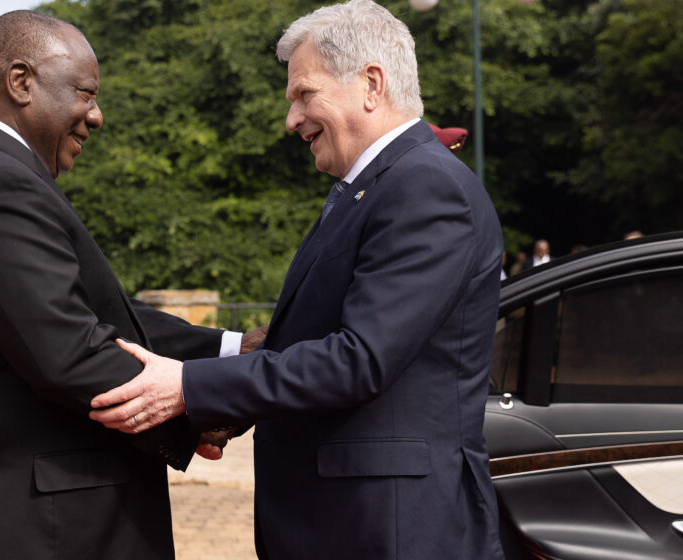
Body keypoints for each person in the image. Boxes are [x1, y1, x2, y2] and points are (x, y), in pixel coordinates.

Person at [89, 1, 505, 558]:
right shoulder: (373, 187)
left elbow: (359, 360)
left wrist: (188, 387)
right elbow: (309, 345)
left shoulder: (425, 187)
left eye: (304, 95)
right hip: (351, 521)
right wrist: (227, 409)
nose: (292, 120)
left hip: (392, 528)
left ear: (371, 84)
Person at [0, 10, 258, 560]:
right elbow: (70, 353)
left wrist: (230, 350)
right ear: (21, 83)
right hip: (20, 522)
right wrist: (204, 395)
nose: (97, 115)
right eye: (85, 93)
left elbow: (93, 317)